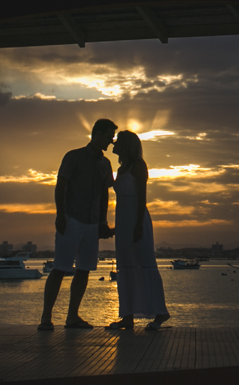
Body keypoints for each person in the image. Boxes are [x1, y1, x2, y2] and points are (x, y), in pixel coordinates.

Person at [39, 118, 116, 331]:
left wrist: (103, 222)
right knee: (60, 267)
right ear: (97, 134)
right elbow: (60, 185)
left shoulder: (105, 163)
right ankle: (46, 317)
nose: (111, 141)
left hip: (92, 223)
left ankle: (72, 316)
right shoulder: (73, 157)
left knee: (84, 270)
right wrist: (60, 215)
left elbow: (104, 194)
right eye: (109, 136)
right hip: (72, 219)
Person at [106, 130, 169, 331]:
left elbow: (142, 197)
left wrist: (139, 225)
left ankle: (160, 314)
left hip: (137, 218)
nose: (113, 145)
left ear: (126, 145)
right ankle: (127, 316)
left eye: (117, 143)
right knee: (125, 266)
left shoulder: (138, 166)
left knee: (144, 264)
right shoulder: (122, 168)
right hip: (124, 219)